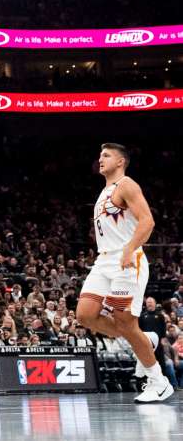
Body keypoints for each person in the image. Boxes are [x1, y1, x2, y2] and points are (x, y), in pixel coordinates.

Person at [76, 143, 174, 403]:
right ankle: (145, 339)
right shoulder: (103, 192)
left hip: (127, 260)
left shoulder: (126, 185)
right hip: (104, 261)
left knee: (125, 323)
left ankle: (159, 382)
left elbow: (148, 221)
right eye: (99, 155)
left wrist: (130, 249)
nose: (100, 159)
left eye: (106, 155)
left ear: (121, 162)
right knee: (85, 314)